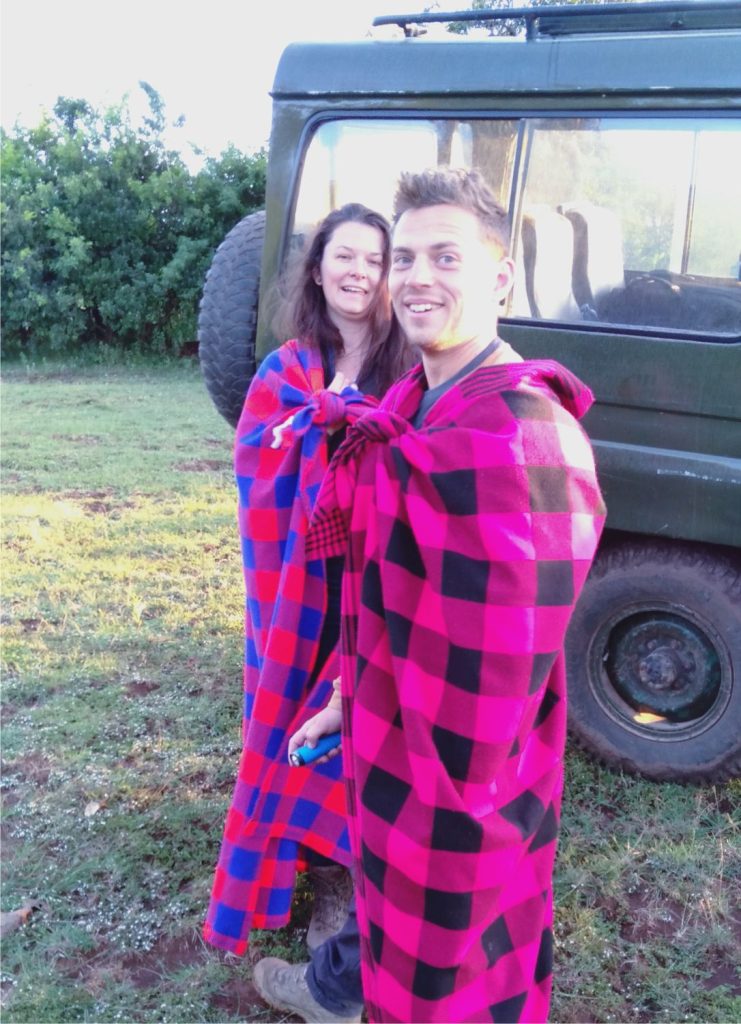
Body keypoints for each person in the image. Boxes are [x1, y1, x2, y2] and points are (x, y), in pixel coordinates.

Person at [252, 168, 607, 1024]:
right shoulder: (417, 399)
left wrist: (438, 792)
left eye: (444, 256)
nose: (413, 277)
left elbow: (498, 681)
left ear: (498, 278)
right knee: (394, 910)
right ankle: (342, 989)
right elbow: (388, 589)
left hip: (458, 775)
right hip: (388, 733)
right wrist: (348, 696)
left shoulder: (523, 439)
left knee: (451, 949)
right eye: (402, 257)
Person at [203, 203, 411, 961]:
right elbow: (255, 466)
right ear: (317, 267)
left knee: (359, 714)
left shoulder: (407, 368)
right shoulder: (284, 370)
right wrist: (320, 434)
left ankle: (350, 875)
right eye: (343, 257)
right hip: (296, 585)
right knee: (293, 714)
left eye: (374, 260)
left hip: (370, 578)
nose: (358, 273)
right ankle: (304, 861)